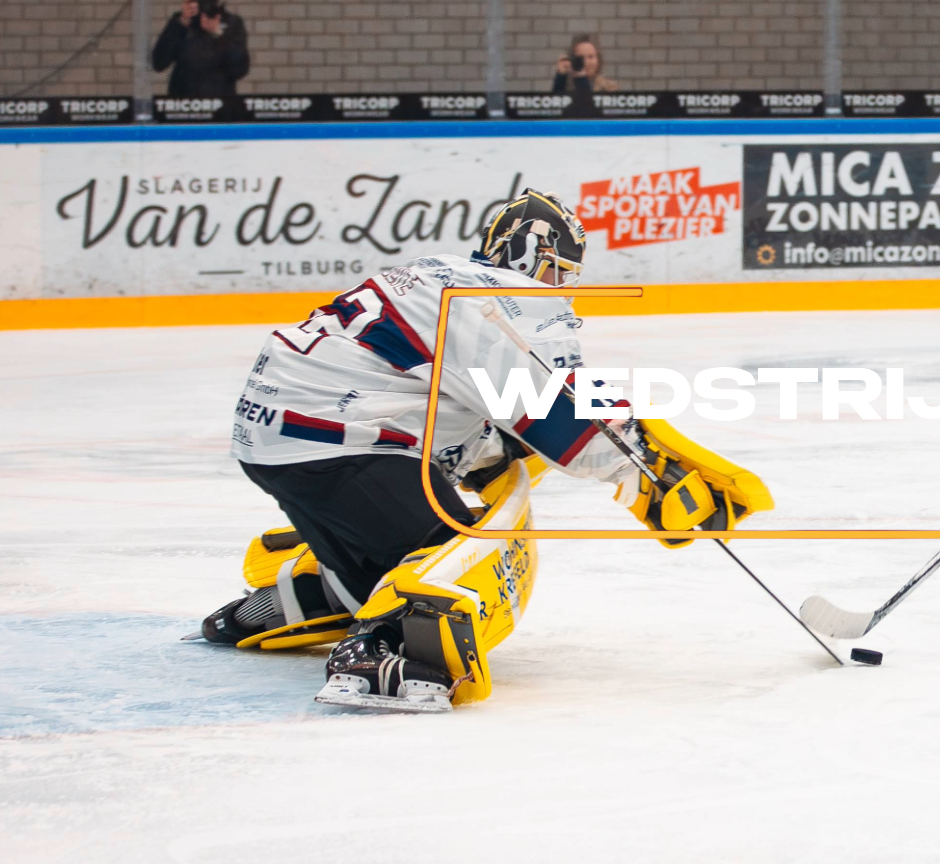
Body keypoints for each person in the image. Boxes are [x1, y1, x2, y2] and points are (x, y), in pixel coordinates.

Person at [201, 190, 768, 712]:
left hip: (286, 440)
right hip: (341, 442)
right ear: (539, 258)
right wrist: (650, 481)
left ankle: (304, 597)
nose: (561, 285)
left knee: (401, 550)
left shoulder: (438, 274)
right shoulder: (508, 299)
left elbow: (472, 412)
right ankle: (377, 649)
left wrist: (561, 454)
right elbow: (552, 407)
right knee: (457, 553)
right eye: (559, 271)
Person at [149, 0, 249, 99]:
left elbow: (240, 69)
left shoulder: (232, 22)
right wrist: (181, 23)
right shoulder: (179, 23)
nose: (198, 1)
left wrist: (217, 33)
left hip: (221, 107)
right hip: (184, 108)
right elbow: (158, 63)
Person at [552, 34, 619, 95]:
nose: (586, 62)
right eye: (581, 58)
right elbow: (555, 104)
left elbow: (588, 105)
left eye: (590, 57)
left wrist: (581, 79)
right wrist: (561, 77)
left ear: (598, 59)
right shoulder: (566, 87)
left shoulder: (609, 87)